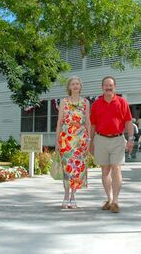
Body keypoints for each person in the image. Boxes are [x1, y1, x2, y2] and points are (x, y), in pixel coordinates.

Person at [90, 76, 134, 213]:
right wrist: (90, 142)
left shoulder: (122, 102)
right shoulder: (96, 104)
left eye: (111, 85)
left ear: (115, 87)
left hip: (118, 139)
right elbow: (93, 125)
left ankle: (115, 201)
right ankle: (109, 199)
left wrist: (131, 138)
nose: (108, 88)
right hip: (101, 139)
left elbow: (128, 122)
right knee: (105, 171)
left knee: (116, 168)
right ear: (102, 87)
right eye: (106, 85)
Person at [55, 76, 91, 209]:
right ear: (69, 87)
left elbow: (87, 121)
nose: (75, 86)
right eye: (73, 84)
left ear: (80, 87)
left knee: (77, 169)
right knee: (66, 169)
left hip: (80, 140)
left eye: (77, 84)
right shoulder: (63, 101)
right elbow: (59, 122)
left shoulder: (85, 102)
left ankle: (73, 197)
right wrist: (57, 140)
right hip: (66, 139)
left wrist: (89, 140)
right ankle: (65, 196)